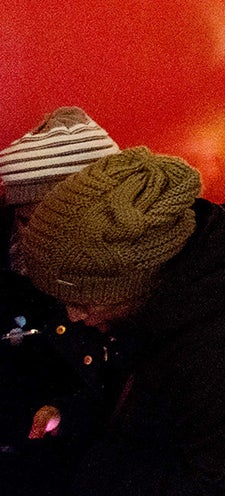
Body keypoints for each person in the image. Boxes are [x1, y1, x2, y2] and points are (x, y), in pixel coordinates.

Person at [16, 148, 225, 496]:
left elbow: (219, 485)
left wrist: (99, 473)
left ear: (135, 281)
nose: (73, 315)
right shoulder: (159, 312)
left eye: (82, 300)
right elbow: (136, 402)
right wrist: (71, 417)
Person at [1, 108, 123, 496]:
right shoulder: (11, 279)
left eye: (50, 223)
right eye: (25, 220)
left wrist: (70, 413)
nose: (35, 239)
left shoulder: (133, 281)